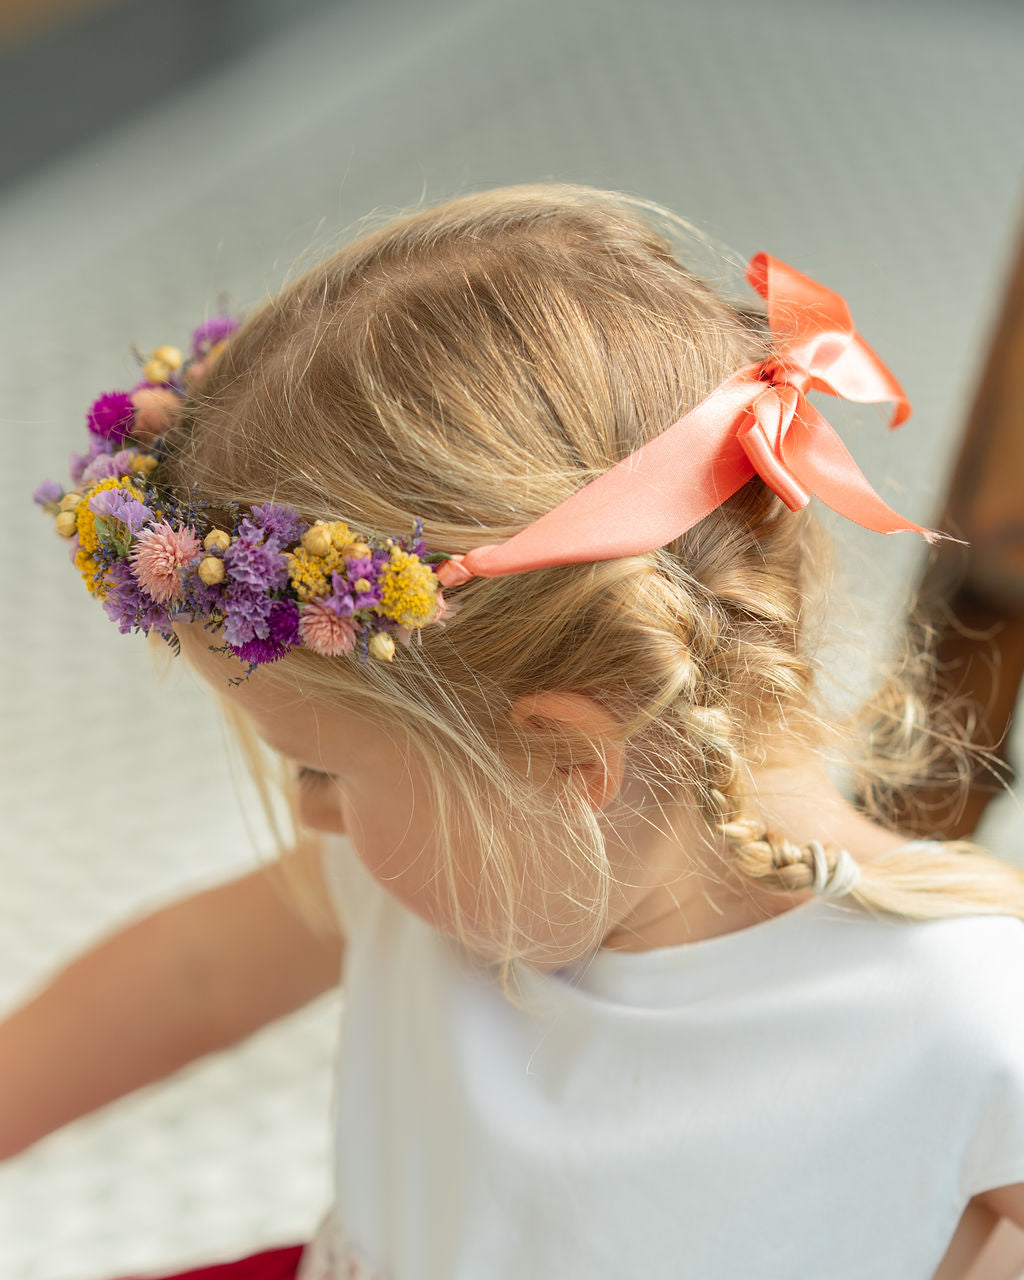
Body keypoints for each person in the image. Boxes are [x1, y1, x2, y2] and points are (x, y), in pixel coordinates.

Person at [14, 182, 1024, 1279]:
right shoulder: (455, 854)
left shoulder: (959, 1018)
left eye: (320, 767)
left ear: (559, 757)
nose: (316, 816)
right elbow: (193, 971)